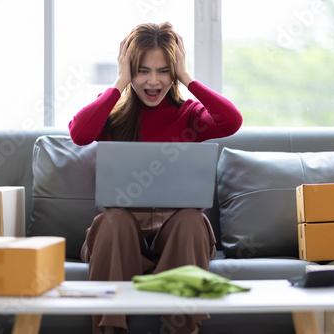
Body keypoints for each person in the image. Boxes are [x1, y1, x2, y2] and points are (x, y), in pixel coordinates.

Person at [69, 22, 243, 334]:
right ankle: (110, 329)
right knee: (112, 221)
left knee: (192, 219)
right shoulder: (112, 114)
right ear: (129, 70)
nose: (153, 81)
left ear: (174, 71)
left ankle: (181, 327)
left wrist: (187, 78)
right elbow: (80, 134)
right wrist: (119, 81)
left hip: (175, 237)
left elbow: (231, 121)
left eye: (164, 71)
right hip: (121, 238)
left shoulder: (189, 114)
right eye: (142, 71)